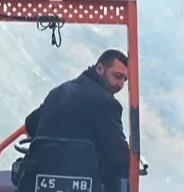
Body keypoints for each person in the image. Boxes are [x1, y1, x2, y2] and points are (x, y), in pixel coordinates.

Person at [23, 48, 132, 182]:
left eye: (124, 80)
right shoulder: (107, 104)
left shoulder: (58, 92)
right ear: (100, 69)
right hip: (83, 186)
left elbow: (30, 124)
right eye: (117, 76)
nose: (120, 84)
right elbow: (118, 156)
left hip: (36, 180)